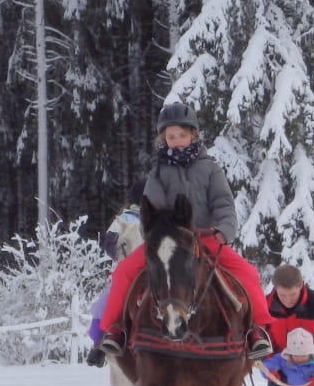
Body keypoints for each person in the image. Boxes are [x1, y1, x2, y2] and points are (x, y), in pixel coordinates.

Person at [92, 101, 274, 360]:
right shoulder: (157, 173)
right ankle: (114, 330)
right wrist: (156, 234)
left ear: (193, 135)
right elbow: (150, 208)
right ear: (164, 139)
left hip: (205, 238)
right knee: (124, 271)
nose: (176, 140)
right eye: (171, 136)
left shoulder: (210, 168)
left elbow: (223, 203)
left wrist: (223, 231)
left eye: (181, 135)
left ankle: (257, 330)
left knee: (247, 272)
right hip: (167, 241)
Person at [86, 178, 146, 369]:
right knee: (107, 302)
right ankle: (102, 343)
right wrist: (123, 254)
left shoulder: (158, 219)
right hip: (128, 270)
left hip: (152, 270)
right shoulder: (126, 218)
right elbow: (109, 243)